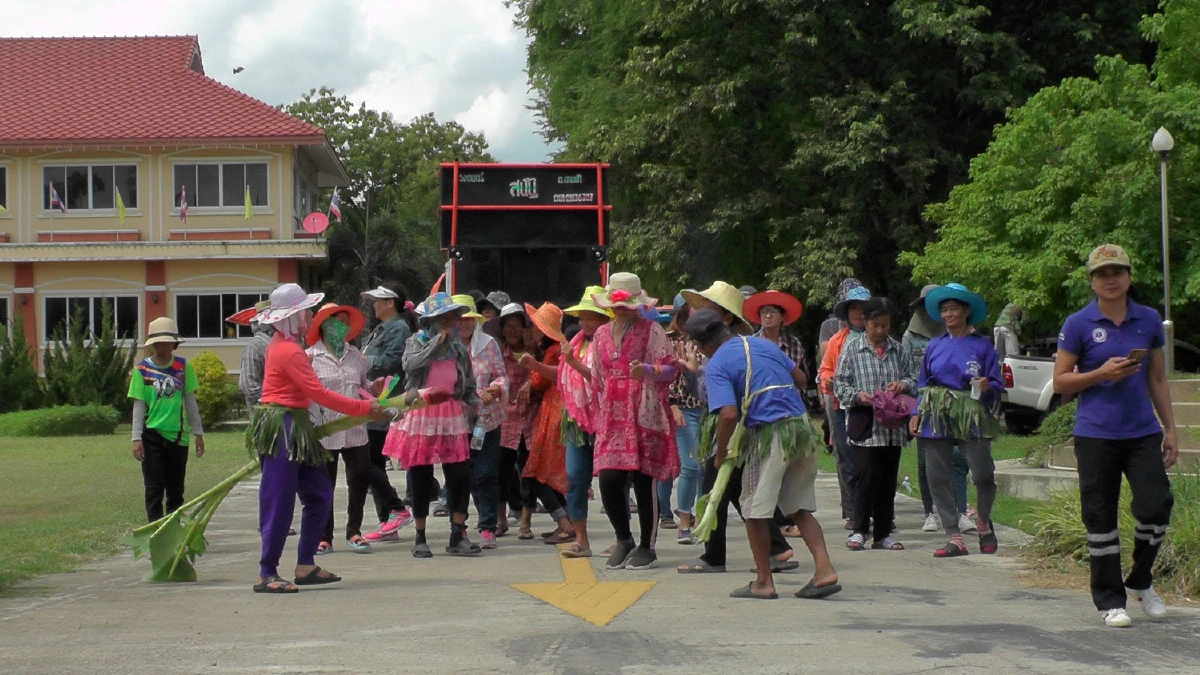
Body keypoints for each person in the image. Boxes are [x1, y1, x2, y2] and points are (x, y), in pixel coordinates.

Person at [1052, 244, 1177, 628]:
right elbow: (1060, 381)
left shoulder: (1149, 319)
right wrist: (1100, 373)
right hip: (1095, 434)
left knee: (1157, 505)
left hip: (1141, 432)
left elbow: (1156, 377)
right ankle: (1109, 600)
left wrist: (1170, 428)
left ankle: (1140, 580)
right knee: (1100, 516)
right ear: (1091, 280)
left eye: (1117, 272)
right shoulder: (1078, 323)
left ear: (1128, 276)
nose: (1110, 280)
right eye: (1102, 274)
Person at [688, 309, 840, 600]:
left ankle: (763, 582)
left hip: (769, 435)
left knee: (754, 511)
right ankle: (825, 570)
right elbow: (800, 377)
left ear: (701, 345)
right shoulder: (763, 344)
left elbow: (729, 414)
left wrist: (720, 453)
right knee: (797, 508)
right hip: (800, 428)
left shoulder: (717, 363)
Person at [248, 283, 384, 594]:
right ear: (293, 316)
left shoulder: (286, 346)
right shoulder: (288, 351)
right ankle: (266, 572)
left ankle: (305, 565)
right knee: (278, 501)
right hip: (281, 427)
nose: (310, 316)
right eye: (306, 311)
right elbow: (320, 394)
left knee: (320, 494)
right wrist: (367, 408)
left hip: (297, 426)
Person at [680, 281, 796, 571]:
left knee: (715, 488)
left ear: (726, 319)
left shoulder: (724, 355)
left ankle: (715, 556)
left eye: (710, 310)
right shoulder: (748, 347)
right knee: (734, 490)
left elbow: (726, 409)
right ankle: (776, 549)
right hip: (745, 426)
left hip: (735, 428)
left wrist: (720, 449)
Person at [590, 273, 680, 570]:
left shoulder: (652, 330)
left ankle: (647, 546)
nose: (622, 310)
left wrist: (648, 370)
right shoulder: (601, 334)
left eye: (628, 305)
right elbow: (598, 377)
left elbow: (670, 370)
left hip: (644, 409)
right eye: (618, 305)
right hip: (612, 414)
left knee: (645, 481)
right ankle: (623, 537)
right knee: (608, 477)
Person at [909, 283, 1003, 559]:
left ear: (966, 311)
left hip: (971, 411)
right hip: (936, 412)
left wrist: (988, 386)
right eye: (944, 310)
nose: (948, 314)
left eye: (953, 309)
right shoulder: (934, 345)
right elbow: (923, 382)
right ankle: (954, 535)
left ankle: (983, 521)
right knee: (937, 475)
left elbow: (997, 383)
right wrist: (916, 413)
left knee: (983, 472)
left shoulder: (982, 345)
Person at [383, 293, 481, 558]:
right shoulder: (417, 341)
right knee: (420, 474)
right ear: (432, 321)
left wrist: (475, 401)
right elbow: (409, 365)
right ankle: (420, 535)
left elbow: (467, 382)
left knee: (459, 474)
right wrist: (437, 343)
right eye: (445, 318)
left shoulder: (459, 349)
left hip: (450, 413)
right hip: (422, 411)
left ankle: (457, 532)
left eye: (453, 318)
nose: (452, 323)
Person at [834, 298, 916, 551]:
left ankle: (882, 534)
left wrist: (902, 385)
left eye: (885, 325)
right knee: (864, 477)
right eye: (874, 325)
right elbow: (840, 384)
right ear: (865, 322)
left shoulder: (898, 349)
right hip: (865, 422)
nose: (880, 331)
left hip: (892, 426)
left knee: (887, 480)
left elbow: (913, 378)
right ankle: (859, 530)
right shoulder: (852, 350)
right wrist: (859, 396)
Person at [903, 284, 972, 534]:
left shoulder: (959, 332)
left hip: (958, 404)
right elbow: (910, 373)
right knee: (926, 462)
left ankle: (960, 510)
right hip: (926, 403)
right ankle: (929, 512)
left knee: (958, 458)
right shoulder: (911, 336)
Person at [305, 303, 372, 555]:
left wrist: (373, 391)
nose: (341, 327)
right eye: (336, 322)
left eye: (346, 323)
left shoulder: (355, 355)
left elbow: (363, 386)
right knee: (324, 485)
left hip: (355, 429)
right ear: (323, 325)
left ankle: (354, 531)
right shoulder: (310, 356)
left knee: (359, 479)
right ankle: (324, 536)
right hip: (325, 430)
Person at [744, 289, 809, 539]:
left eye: (773, 312)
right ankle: (773, 523)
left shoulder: (793, 345)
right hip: (760, 413)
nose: (768, 316)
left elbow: (802, 379)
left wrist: (779, 361)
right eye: (763, 312)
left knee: (786, 470)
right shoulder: (751, 342)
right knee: (764, 471)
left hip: (789, 413)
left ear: (783, 317)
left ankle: (785, 519)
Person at [129, 317, 205, 523]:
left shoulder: (183, 366)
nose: (165, 347)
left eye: (169, 342)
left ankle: (172, 532)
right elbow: (139, 406)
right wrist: (136, 438)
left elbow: (190, 402)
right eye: (160, 343)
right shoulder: (142, 370)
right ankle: (155, 534)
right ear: (153, 344)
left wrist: (198, 433)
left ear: (175, 343)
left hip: (178, 437)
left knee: (176, 491)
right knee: (154, 490)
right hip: (151, 436)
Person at [558, 286, 612, 559]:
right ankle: (581, 539)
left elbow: (602, 380)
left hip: (606, 420)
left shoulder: (611, 342)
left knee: (612, 481)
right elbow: (562, 376)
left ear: (605, 318)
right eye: (582, 317)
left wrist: (573, 363)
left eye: (590, 317)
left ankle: (621, 538)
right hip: (576, 421)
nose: (584, 323)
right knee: (576, 477)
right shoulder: (577, 343)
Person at [360, 283, 417, 544]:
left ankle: (395, 509)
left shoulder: (398, 329)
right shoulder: (382, 329)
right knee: (371, 462)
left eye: (378, 301)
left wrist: (364, 362)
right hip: (374, 399)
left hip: (387, 399)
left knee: (369, 462)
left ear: (390, 303)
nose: (374, 305)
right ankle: (387, 521)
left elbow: (392, 362)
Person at [518, 302, 577, 544]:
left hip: (554, 413)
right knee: (541, 472)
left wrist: (533, 364)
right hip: (553, 411)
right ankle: (566, 522)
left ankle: (564, 524)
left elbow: (541, 381)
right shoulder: (555, 349)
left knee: (536, 473)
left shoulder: (552, 352)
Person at [453, 294, 508, 549]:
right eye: (458, 319)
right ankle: (459, 527)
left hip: (486, 420)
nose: (463, 324)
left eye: (468, 319)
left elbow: (501, 377)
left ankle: (488, 527)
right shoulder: (444, 346)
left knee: (486, 473)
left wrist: (496, 389)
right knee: (463, 476)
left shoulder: (488, 344)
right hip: (454, 422)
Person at [817, 280, 870, 529]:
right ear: (847, 313)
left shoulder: (881, 339)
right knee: (847, 459)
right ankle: (853, 512)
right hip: (841, 407)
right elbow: (825, 369)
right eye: (854, 308)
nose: (859, 313)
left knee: (874, 460)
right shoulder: (838, 340)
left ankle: (878, 510)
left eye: (864, 308)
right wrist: (829, 380)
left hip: (873, 409)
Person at [666, 295, 703, 543]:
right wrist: (672, 406)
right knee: (690, 466)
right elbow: (664, 377)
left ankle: (703, 516)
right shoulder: (668, 341)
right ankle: (685, 519)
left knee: (705, 467)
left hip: (709, 409)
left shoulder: (706, 340)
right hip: (684, 409)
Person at [237, 300, 274, 411]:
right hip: (266, 414)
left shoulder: (277, 342)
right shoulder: (255, 346)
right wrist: (271, 401)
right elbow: (247, 384)